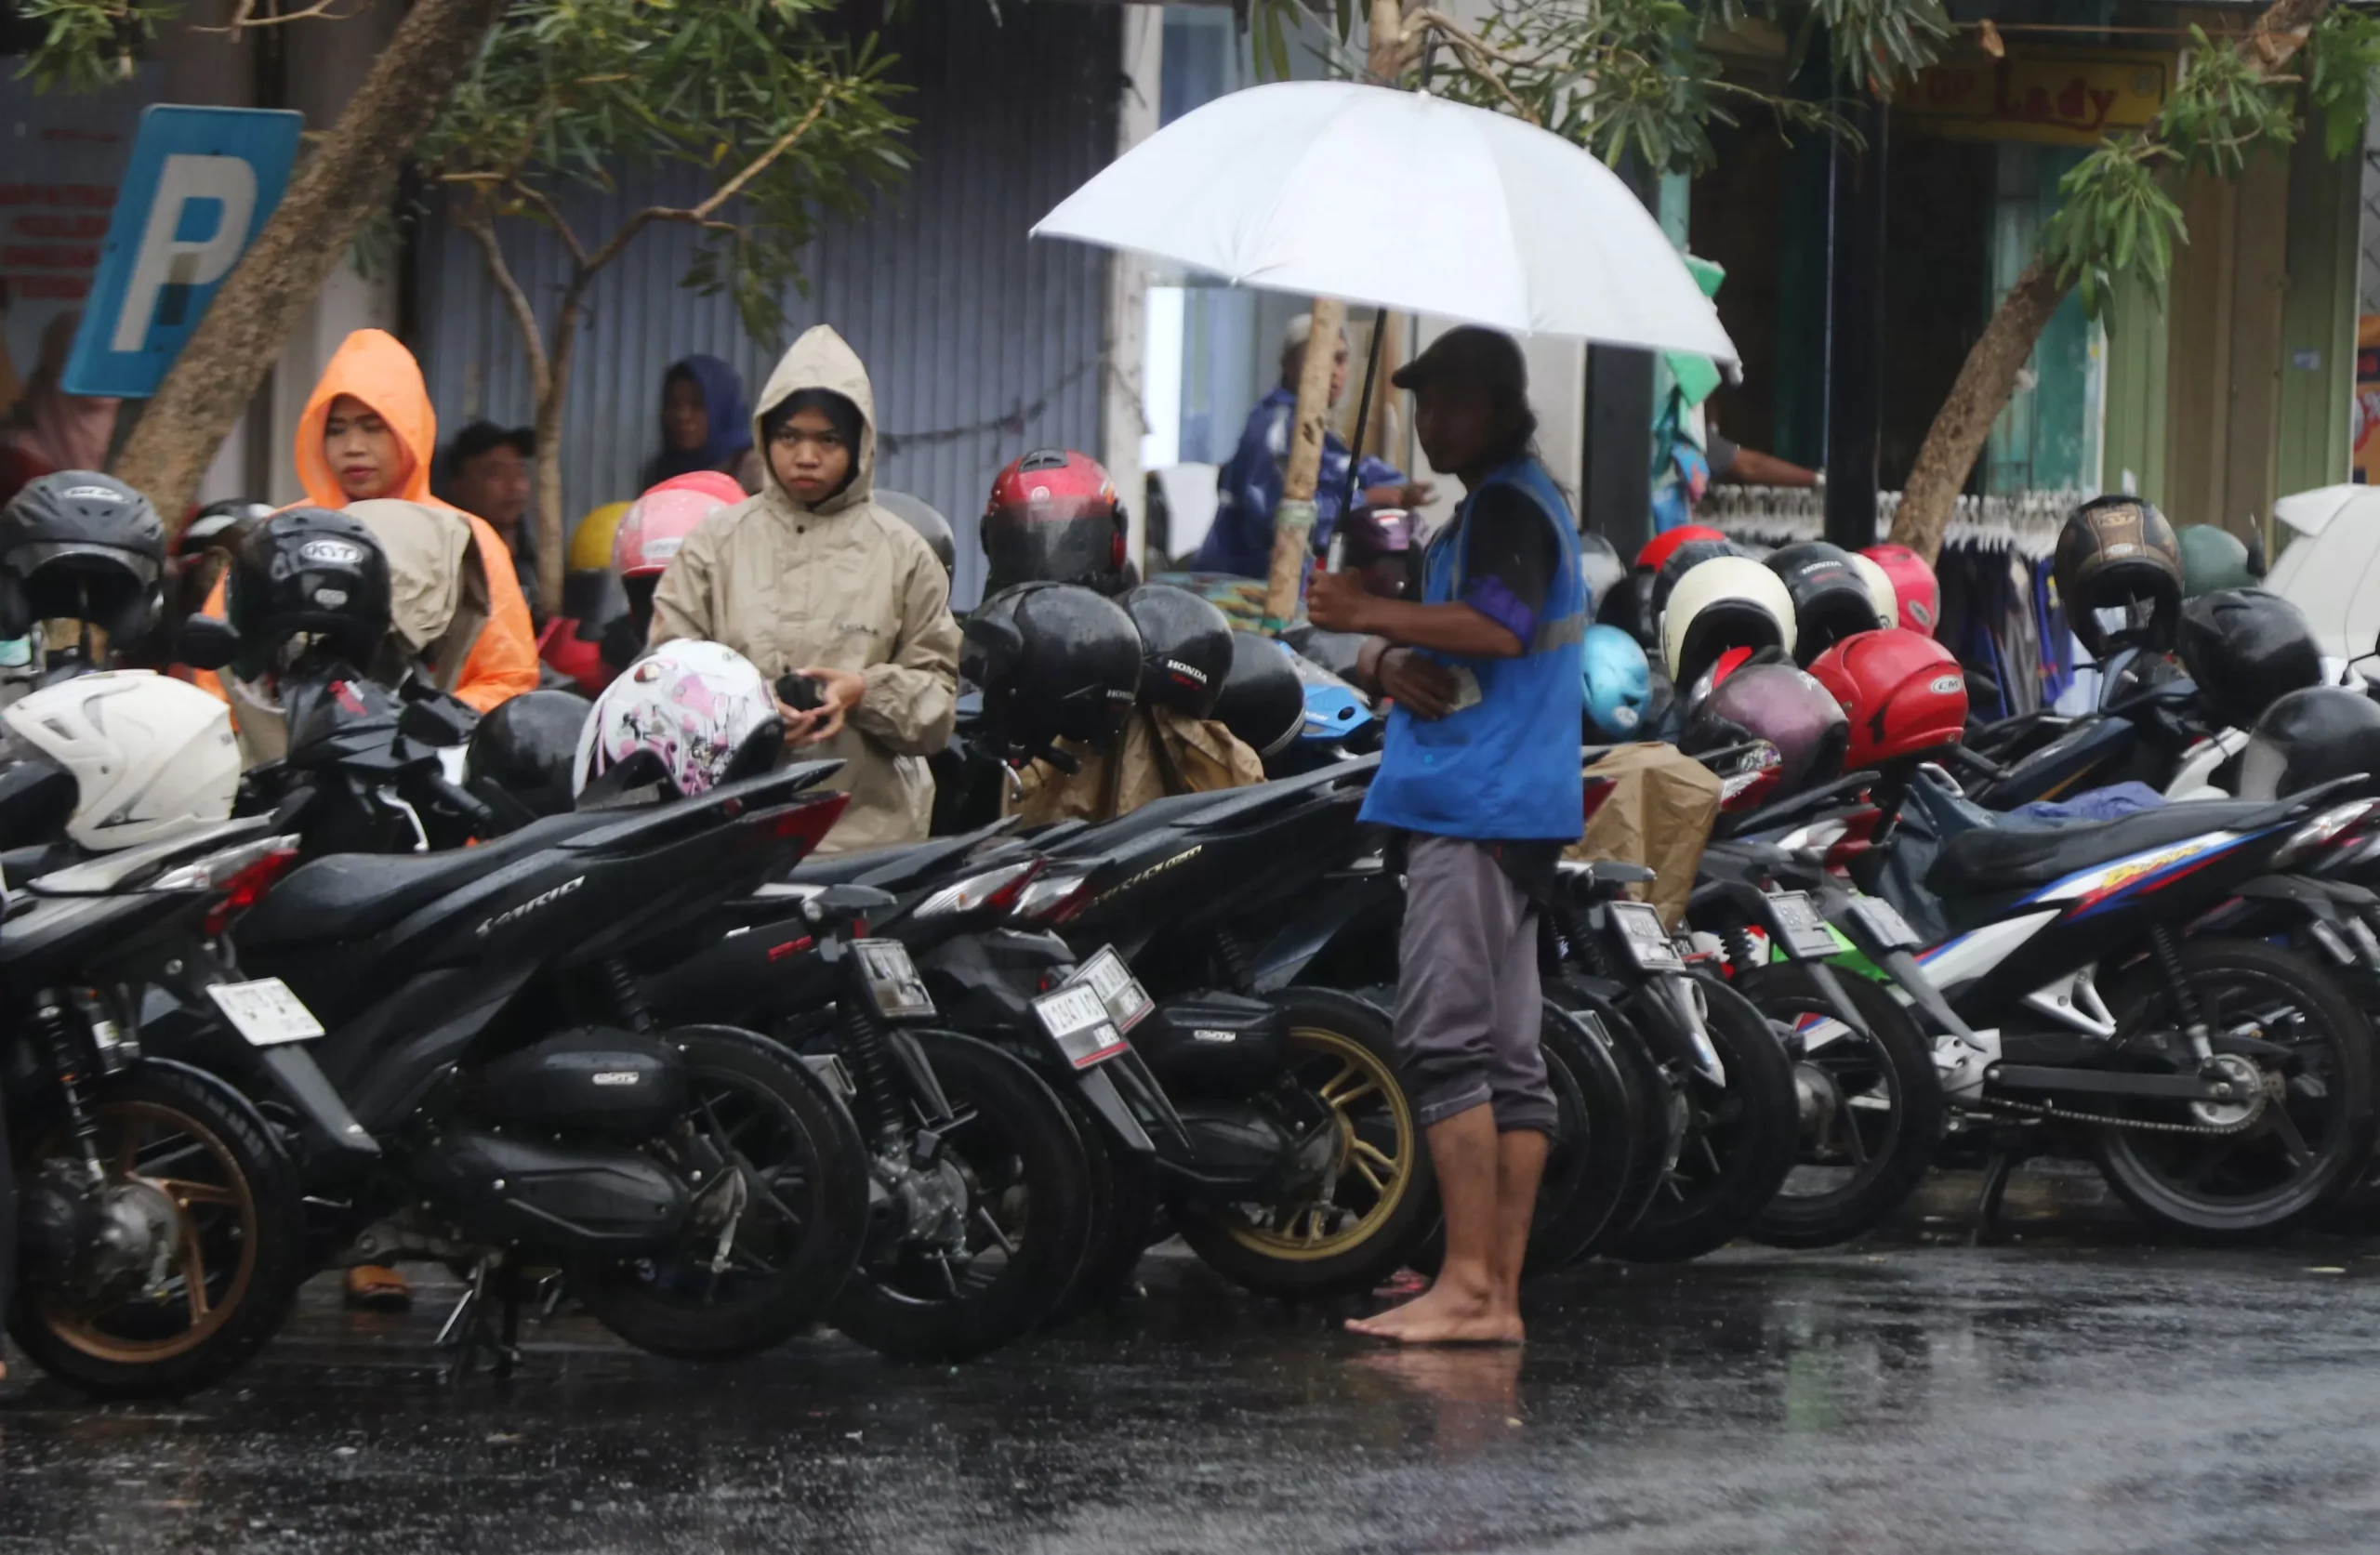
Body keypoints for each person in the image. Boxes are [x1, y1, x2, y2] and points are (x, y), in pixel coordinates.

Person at [1305, 325, 1584, 1346]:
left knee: (1441, 1041)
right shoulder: (1492, 508)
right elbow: (1454, 639)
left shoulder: (1511, 503)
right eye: (1425, 403)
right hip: (1506, 801)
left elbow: (1499, 625)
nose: (1435, 422)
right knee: (1509, 1057)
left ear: (1507, 408)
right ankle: (1492, 1294)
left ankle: (1468, 1282)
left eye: (1457, 402)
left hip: (1475, 805)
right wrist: (1379, 654)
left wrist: (1363, 608)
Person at [649, 323, 959, 853]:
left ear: (860, 443)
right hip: (732, 835)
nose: (806, 456)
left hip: (871, 845)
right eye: (789, 436)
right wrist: (753, 710)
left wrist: (863, 692)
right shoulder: (715, 545)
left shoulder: (904, 555)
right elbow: (663, 682)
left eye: (828, 439)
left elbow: (937, 710)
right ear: (764, 435)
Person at [192, 330, 539, 725]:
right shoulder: (279, 534)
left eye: (373, 426)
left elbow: (508, 677)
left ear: (411, 429)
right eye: (336, 429)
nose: (353, 446)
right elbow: (220, 676)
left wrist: (425, 722)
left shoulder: (464, 538)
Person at [1193, 314, 1431, 580]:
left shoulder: (1314, 428)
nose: (1331, 371)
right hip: (1245, 590)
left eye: (1340, 359)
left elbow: (1350, 470)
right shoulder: (1276, 427)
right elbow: (1285, 513)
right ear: (1287, 365)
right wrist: (1367, 500)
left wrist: (1397, 489)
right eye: (1318, 357)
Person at [0, 312, 119, 511]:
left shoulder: (150, 434)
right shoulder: (17, 457)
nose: (102, 371)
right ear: (61, 359)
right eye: (86, 357)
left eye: (112, 358)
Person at [443, 420, 537, 598]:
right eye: (496, 474)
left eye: (520, 472)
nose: (515, 486)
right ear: (458, 485)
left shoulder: (537, 566)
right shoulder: (446, 568)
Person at [644, 353, 763, 494]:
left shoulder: (753, 470)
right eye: (673, 405)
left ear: (722, 410)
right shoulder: (661, 472)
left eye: (697, 405)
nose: (683, 416)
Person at [1707, 428, 1818, 488]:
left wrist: (1816, 479)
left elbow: (1751, 465)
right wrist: (1817, 479)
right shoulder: (1696, 438)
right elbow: (1750, 466)